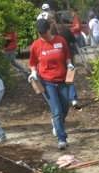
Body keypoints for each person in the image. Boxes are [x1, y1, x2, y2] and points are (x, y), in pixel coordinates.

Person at [28, 19, 74, 150]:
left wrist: (69, 63)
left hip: (63, 80)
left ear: (49, 29)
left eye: (44, 32)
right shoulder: (36, 45)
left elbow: (67, 56)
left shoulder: (60, 41)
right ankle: (62, 139)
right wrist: (33, 72)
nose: (43, 35)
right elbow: (32, 62)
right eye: (40, 33)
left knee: (65, 108)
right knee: (57, 110)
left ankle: (56, 122)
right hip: (47, 82)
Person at [56, 20, 81, 109]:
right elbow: (74, 42)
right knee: (70, 79)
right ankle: (73, 100)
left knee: (59, 80)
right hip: (69, 56)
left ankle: (62, 100)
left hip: (58, 58)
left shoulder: (52, 32)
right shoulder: (66, 30)